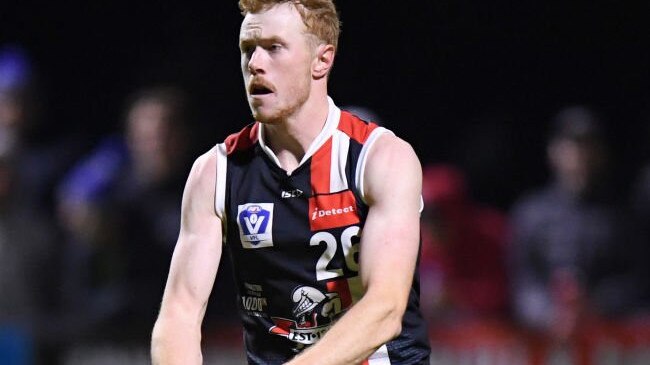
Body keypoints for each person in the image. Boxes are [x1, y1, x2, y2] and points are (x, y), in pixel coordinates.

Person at [151, 1, 431, 364]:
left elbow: (385, 310)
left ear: (322, 61)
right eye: (247, 50)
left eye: (273, 47)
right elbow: (179, 314)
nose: (254, 64)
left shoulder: (381, 158)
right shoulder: (216, 172)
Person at [509, 106, 640, 341]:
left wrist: (595, 305)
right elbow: (522, 283)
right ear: (553, 151)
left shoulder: (623, 215)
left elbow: (637, 279)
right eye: (572, 146)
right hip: (546, 343)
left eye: (589, 146)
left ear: (601, 153)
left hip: (609, 342)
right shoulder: (531, 213)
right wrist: (550, 314)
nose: (580, 155)